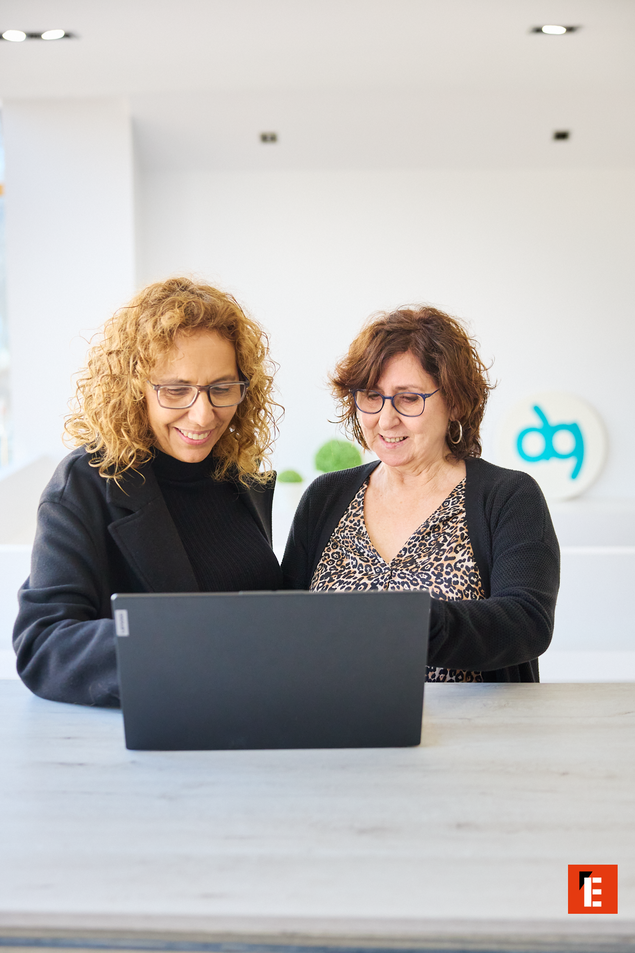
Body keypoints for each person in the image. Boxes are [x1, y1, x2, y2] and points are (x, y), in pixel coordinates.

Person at [14, 277, 283, 707]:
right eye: (176, 390)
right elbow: (44, 645)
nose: (203, 415)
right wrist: (197, 647)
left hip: (254, 717)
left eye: (221, 388)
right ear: (134, 389)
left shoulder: (241, 476)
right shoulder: (85, 484)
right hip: (159, 729)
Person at [282, 306, 559, 682]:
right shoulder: (324, 497)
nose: (386, 419)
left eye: (409, 398)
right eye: (372, 396)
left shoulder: (508, 497)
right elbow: (286, 627)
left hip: (470, 720)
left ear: (455, 402)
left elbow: (527, 622)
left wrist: (410, 620)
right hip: (338, 717)